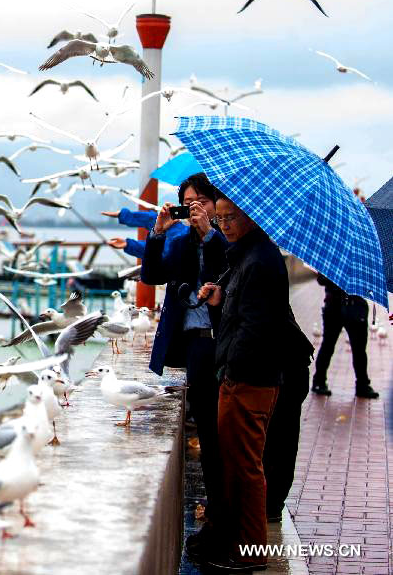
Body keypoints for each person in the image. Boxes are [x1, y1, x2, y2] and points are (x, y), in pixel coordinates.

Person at [198, 191, 312, 573]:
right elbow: (241, 311)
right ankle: (239, 544)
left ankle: (249, 553)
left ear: (251, 217)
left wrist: (231, 368)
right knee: (237, 463)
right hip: (245, 375)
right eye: (220, 219)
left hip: (249, 379)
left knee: (246, 466)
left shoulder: (260, 261)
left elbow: (257, 326)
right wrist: (220, 298)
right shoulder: (250, 255)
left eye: (231, 218)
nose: (225, 225)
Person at [139, 173, 227, 557]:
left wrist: (209, 232)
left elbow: (228, 266)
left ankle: (221, 518)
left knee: (217, 434)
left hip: (220, 344)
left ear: (215, 203)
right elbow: (153, 275)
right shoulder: (182, 239)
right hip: (192, 346)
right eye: (187, 202)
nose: (194, 209)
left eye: (200, 202)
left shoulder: (225, 238)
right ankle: (216, 515)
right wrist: (158, 233)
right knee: (208, 431)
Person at [311, 274, 379, 398]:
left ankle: (362, 385)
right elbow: (321, 280)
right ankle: (319, 381)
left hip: (355, 307)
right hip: (334, 306)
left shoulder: (358, 262)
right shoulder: (335, 258)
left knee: (359, 350)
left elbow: (370, 284)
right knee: (328, 345)